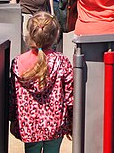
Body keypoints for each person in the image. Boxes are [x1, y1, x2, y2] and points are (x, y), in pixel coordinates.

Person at [10, 12, 74, 153]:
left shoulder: (17, 62)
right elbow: (70, 98)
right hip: (55, 125)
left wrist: (13, 120)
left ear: (30, 35)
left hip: (28, 125)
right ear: (56, 35)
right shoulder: (61, 61)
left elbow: (13, 97)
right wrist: (72, 121)